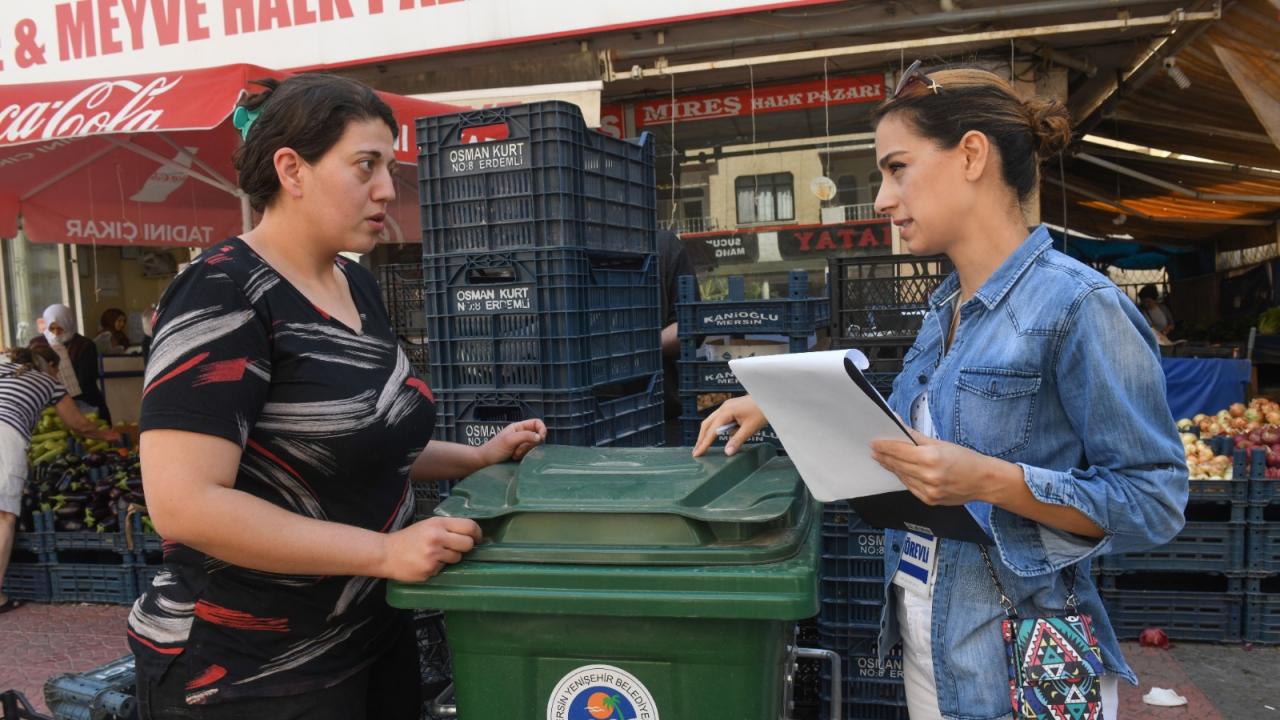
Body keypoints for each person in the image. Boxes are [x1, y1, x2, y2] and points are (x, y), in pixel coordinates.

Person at [695, 62, 1187, 720]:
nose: (881, 199)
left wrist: (989, 480)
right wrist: (785, 403)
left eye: (897, 168)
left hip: (1023, 672)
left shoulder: (1079, 306)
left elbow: (1153, 500)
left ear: (972, 155)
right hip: (933, 650)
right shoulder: (944, 310)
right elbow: (904, 447)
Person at [127, 74, 546, 719]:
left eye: (389, 165)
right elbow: (186, 506)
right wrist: (384, 552)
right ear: (292, 169)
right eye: (365, 165)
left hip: (370, 633)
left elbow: (356, 439)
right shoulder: (223, 290)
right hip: (248, 667)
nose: (386, 188)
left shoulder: (355, 284)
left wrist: (477, 458)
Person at [0, 344, 120, 613]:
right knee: (4, 517)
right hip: (4, 437)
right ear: (50, 366)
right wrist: (108, 436)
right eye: (57, 370)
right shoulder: (48, 382)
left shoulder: (3, 368)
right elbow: (78, 424)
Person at [35, 304, 111, 425]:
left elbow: (87, 380)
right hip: (49, 406)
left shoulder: (84, 345)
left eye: (60, 328)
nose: (56, 333)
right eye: (52, 329)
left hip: (85, 400)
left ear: (68, 324)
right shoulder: (38, 344)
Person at [657, 230, 698, 444]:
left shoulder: (663, 245)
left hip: (661, 410)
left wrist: (642, 347)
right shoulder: (557, 250)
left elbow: (690, 325)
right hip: (573, 414)